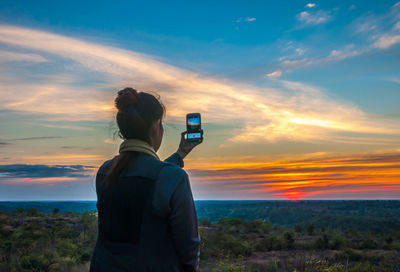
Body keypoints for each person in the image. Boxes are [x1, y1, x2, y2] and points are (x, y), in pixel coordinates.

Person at [89, 87, 202, 272]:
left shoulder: (105, 172)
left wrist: (180, 154)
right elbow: (189, 247)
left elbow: (143, 178)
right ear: (155, 126)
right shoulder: (174, 179)